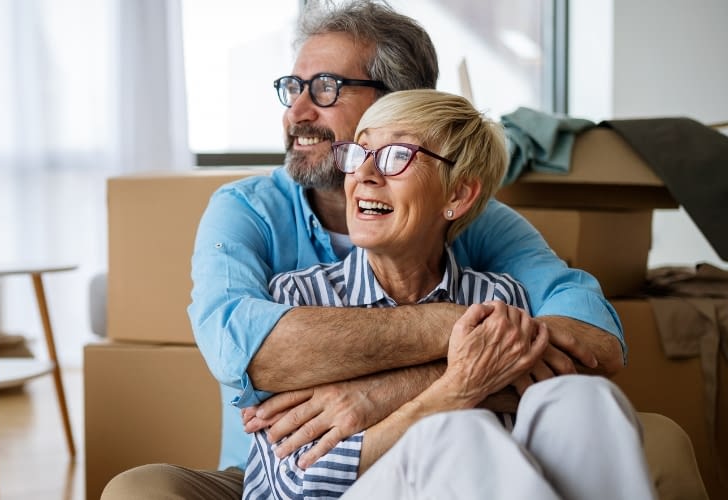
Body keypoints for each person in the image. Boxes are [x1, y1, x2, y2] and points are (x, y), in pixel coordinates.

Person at [101, 1, 626, 498]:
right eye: (293, 88)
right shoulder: (248, 214)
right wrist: (466, 334)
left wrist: (386, 392)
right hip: (283, 473)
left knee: (580, 406)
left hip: (454, 459)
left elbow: (593, 341)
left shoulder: (480, 223)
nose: (298, 112)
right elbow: (248, 354)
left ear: (402, 101)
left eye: (326, 88)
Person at [242, 89, 652, 499]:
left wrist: (389, 396)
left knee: (584, 397)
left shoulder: (502, 298)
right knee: (460, 428)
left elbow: (581, 368)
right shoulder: (297, 296)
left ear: (457, 195)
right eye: (358, 153)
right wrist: (456, 390)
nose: (365, 174)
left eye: (397, 155)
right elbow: (298, 481)